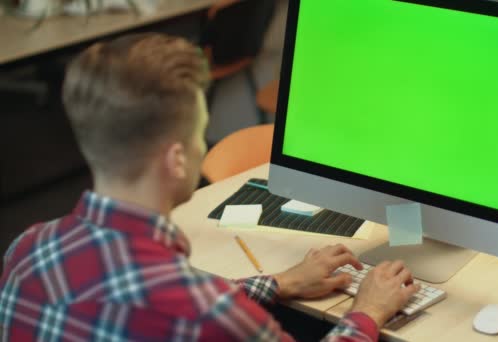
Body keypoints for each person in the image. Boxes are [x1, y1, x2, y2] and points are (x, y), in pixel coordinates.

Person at [0, 33, 420, 341]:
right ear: (177, 159)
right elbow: (186, 309)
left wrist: (277, 283)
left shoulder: (24, 251)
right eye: (201, 134)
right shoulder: (207, 314)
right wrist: (368, 310)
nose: (204, 146)